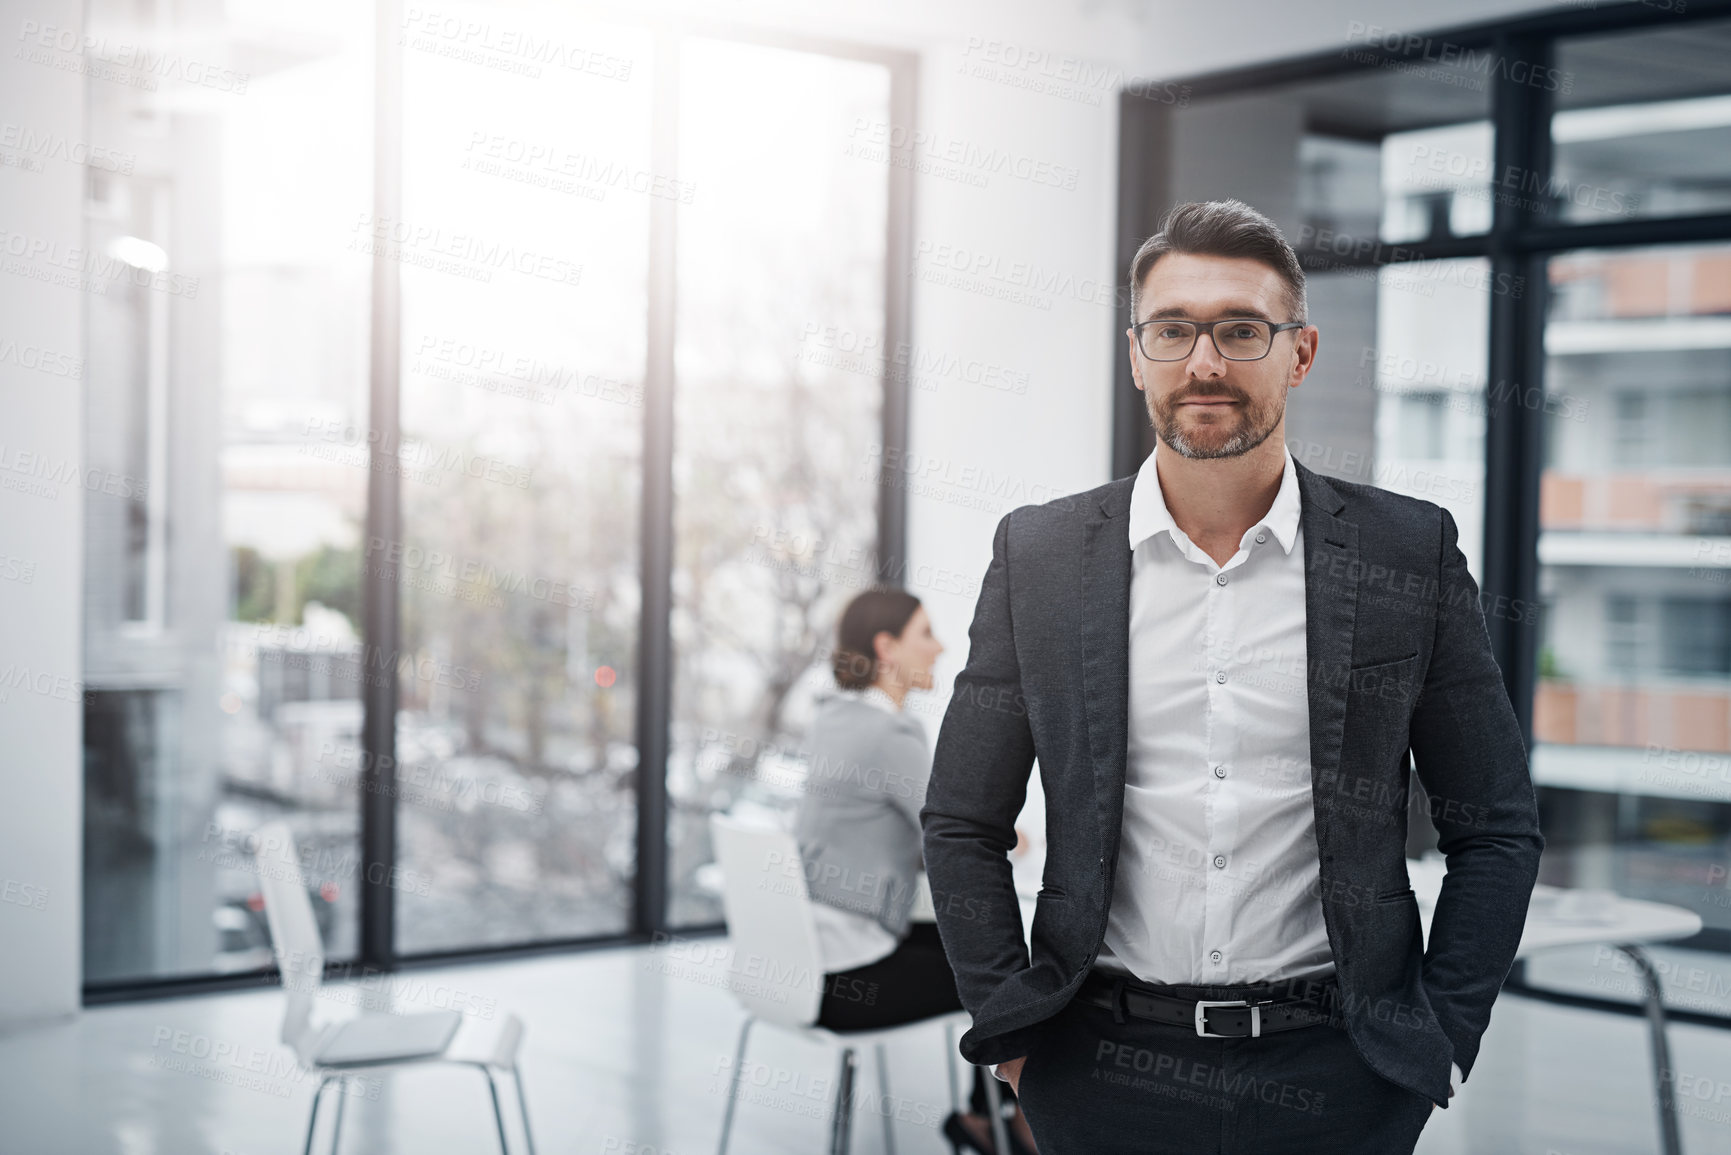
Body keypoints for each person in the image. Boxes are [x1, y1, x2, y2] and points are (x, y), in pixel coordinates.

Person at [919, 199, 1545, 1154]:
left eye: (1241, 329)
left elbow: (1494, 823)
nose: (1203, 361)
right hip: (1099, 1070)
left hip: (1341, 1073)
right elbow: (962, 819)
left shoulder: (1405, 552)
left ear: (1299, 352)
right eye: (1172, 330)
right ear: (1135, 353)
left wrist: (1440, 1036)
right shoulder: (1041, 555)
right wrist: (1013, 1035)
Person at [794, 588, 1037, 1153]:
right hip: (845, 981)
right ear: (887, 648)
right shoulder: (890, 733)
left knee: (978, 951)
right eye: (925, 634)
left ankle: (991, 1117)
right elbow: (954, 833)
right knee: (1008, 972)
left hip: (806, 962)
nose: (941, 647)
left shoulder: (833, 720)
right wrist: (1026, 839)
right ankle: (1012, 1126)